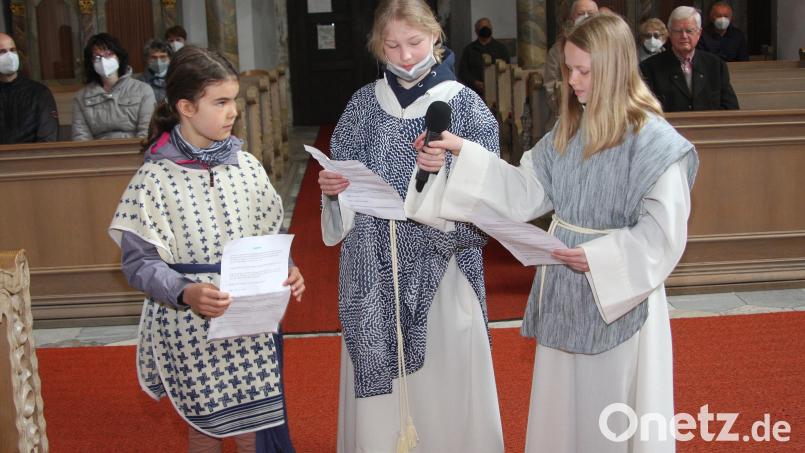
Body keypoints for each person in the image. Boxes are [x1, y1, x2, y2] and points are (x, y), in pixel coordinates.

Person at [418, 13, 698, 453]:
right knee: (563, 417)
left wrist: (600, 258)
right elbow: (524, 192)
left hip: (620, 298)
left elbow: (664, 236)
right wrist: (461, 153)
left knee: (612, 415)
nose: (573, 81)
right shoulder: (569, 130)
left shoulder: (656, 144)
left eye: (585, 70)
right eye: (569, 69)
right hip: (565, 288)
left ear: (616, 69)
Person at [317, 0, 504, 451]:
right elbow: (342, 170)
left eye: (414, 42)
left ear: (435, 37)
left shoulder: (465, 106)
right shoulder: (363, 103)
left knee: (446, 367)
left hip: (441, 264)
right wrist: (333, 187)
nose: (403, 55)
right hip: (371, 263)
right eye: (391, 45)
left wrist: (448, 173)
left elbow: (492, 191)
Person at [108, 46, 305, 452]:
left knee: (253, 422)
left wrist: (288, 267)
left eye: (233, 99)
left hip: (248, 313)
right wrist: (185, 291)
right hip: (188, 321)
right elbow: (138, 262)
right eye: (220, 102)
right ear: (186, 107)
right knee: (205, 426)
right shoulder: (154, 177)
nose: (233, 111)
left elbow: (268, 231)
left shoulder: (245, 164)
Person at [640, 6, 739, 111]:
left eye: (689, 31)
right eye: (678, 31)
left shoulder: (716, 65)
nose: (684, 36)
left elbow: (731, 108)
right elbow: (645, 111)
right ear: (670, 33)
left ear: (699, 33)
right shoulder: (649, 67)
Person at [72, 33, 156, 140]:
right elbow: (81, 137)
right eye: (97, 57)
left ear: (119, 57)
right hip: (97, 154)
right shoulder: (81, 98)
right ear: (91, 63)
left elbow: (146, 132)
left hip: (136, 151)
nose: (103, 61)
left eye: (108, 54)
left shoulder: (143, 90)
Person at [0, 32, 58, 144]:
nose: (9, 56)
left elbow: (48, 139)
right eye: (2, 52)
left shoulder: (39, 93)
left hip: (31, 158)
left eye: (12, 50)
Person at [543, 0, 598, 113]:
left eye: (590, 14)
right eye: (581, 13)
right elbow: (551, 91)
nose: (586, 17)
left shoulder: (607, 48)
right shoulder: (558, 51)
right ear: (571, 18)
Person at [457, 17, 510, 97]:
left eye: (488, 27)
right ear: (476, 31)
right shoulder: (469, 50)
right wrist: (475, 82)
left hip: (497, 93)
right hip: (475, 93)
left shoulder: (501, 49)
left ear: (491, 29)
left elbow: (507, 70)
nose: (485, 29)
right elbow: (463, 71)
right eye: (482, 27)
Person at [137, 39, 172, 103]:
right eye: (153, 57)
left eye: (163, 57)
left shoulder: (177, 78)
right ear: (146, 59)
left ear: (170, 58)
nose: (158, 61)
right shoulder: (138, 82)